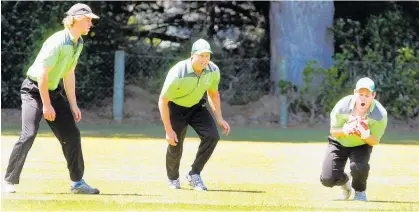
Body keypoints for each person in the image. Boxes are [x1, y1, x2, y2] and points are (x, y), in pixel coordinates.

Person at [3, 3, 100, 194]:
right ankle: (9, 181)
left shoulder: (78, 42)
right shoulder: (58, 42)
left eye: (90, 20)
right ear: (76, 20)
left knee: (72, 135)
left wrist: (73, 104)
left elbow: (69, 74)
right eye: (87, 20)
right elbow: (42, 75)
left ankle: (77, 183)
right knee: (28, 134)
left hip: (53, 92)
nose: (90, 24)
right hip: (33, 90)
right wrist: (46, 105)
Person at [158, 39, 231, 191]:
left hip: (197, 106)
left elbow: (213, 93)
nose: (205, 59)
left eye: (207, 56)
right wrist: (168, 130)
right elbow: (163, 100)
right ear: (192, 55)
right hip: (176, 108)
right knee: (175, 143)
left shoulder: (213, 70)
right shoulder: (178, 72)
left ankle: (194, 174)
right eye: (201, 55)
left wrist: (219, 118)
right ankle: (173, 178)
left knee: (212, 136)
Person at [320, 77, 388, 201]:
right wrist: (346, 130)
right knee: (327, 179)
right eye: (360, 94)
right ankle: (345, 184)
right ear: (354, 93)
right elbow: (333, 131)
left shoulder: (380, 114)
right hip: (339, 142)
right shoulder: (342, 106)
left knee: (358, 167)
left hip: (362, 144)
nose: (363, 98)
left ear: (374, 95)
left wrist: (365, 135)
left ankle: (360, 192)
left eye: (367, 95)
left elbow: (375, 140)